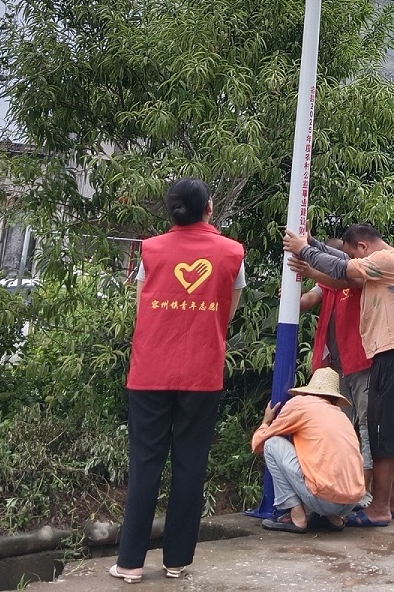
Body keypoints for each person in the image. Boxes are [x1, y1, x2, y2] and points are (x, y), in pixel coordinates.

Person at [110, 178, 246, 585]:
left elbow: (142, 306)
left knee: (145, 462)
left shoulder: (150, 250)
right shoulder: (232, 253)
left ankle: (131, 563)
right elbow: (229, 312)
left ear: (172, 211)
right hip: (202, 372)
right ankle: (176, 561)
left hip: (150, 371)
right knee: (190, 463)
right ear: (208, 207)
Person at [282, 222, 394, 527]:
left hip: (390, 356)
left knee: (381, 435)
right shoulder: (385, 263)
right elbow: (339, 264)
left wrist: (303, 250)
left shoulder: (385, 260)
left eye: (353, 254)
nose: (351, 259)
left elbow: (343, 270)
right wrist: (312, 243)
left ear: (363, 248)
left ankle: (379, 507)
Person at [249, 366, 368, 532]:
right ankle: (334, 520)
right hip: (352, 501)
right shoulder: (341, 415)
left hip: (326, 499)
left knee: (272, 444)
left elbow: (258, 444)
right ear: (334, 398)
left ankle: (296, 517)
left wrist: (266, 421)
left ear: (310, 390)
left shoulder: (301, 404)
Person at [296, 238, 373, 495]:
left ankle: (363, 491)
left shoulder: (356, 279)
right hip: (335, 369)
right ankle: (340, 488)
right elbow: (308, 300)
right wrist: (292, 294)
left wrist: (309, 268)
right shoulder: (327, 285)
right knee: (338, 430)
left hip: (361, 363)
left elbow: (339, 279)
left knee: (365, 427)